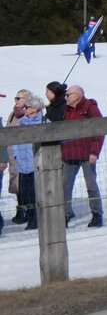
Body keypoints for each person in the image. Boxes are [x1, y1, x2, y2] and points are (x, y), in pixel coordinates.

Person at [62, 84, 105, 227]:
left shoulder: (90, 108)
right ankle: (65, 215)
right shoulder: (65, 109)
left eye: (68, 95)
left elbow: (99, 129)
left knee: (91, 185)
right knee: (65, 186)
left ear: (77, 96)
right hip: (69, 153)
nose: (66, 97)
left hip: (87, 154)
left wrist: (94, 151)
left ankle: (97, 214)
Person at [13, 94, 44, 230]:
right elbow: (15, 140)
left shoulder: (43, 121)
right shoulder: (22, 121)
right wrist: (15, 155)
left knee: (35, 192)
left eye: (27, 107)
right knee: (25, 194)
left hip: (35, 164)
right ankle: (29, 216)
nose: (24, 109)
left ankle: (35, 219)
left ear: (35, 108)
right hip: (22, 164)